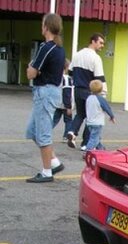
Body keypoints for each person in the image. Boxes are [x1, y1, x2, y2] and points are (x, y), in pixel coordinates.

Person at [25, 13, 66, 183]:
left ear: (46, 27)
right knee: (33, 131)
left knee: (42, 133)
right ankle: (54, 162)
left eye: (43, 24)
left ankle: (47, 171)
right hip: (52, 91)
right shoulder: (59, 49)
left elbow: (30, 73)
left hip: (45, 92)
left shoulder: (46, 47)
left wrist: (32, 68)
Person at [66, 33, 106, 149]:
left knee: (80, 114)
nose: (102, 46)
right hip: (89, 92)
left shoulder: (77, 55)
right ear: (93, 41)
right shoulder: (96, 58)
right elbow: (100, 78)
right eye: (100, 43)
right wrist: (103, 93)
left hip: (77, 89)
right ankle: (86, 143)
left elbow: (70, 72)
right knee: (91, 118)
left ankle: (72, 132)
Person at [82, 79, 115, 152]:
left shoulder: (89, 98)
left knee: (96, 136)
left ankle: (100, 149)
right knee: (94, 138)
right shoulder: (100, 99)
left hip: (89, 122)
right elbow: (107, 108)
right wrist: (112, 116)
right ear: (101, 89)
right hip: (98, 122)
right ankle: (88, 151)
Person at [52, 58, 73, 141]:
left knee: (54, 119)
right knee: (68, 120)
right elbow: (67, 93)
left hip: (57, 103)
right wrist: (68, 106)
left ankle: (45, 132)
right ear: (67, 67)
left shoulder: (57, 77)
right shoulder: (67, 79)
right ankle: (66, 136)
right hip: (65, 104)